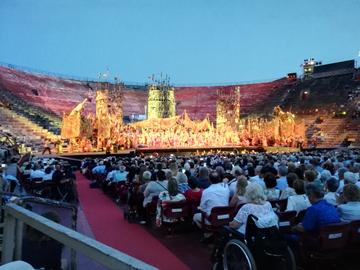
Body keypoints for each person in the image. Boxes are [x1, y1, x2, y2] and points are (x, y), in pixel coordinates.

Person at [193, 172, 229, 237]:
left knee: (195, 217)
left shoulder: (206, 191)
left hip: (213, 218)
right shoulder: (226, 188)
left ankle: (208, 233)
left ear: (209, 180)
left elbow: (202, 207)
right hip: (225, 217)